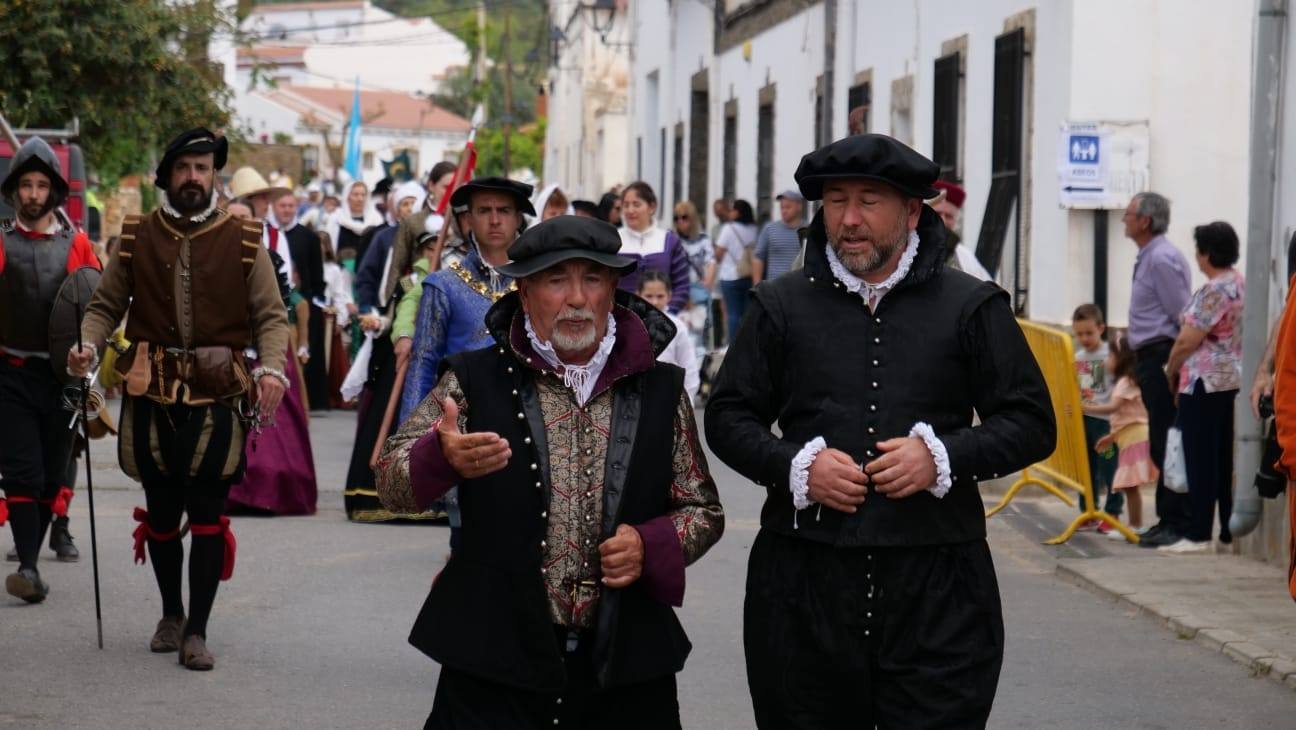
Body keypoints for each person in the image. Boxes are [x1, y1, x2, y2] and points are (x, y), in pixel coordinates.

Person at [704, 134, 1055, 728]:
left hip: (939, 585)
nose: (849, 219)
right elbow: (728, 416)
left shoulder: (972, 305)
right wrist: (797, 467)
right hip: (803, 582)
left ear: (912, 210)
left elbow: (1031, 422)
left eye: (869, 200)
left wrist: (941, 456)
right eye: (836, 201)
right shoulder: (779, 305)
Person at [375, 215, 724, 728]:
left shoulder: (662, 389)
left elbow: (703, 508)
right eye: (557, 280)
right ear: (525, 290)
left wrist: (654, 545)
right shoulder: (473, 379)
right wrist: (439, 457)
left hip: (625, 664)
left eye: (593, 279)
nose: (577, 298)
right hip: (495, 659)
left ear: (613, 288)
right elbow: (391, 480)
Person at [71, 128, 290, 670]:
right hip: (151, 393)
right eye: (184, 168)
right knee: (164, 514)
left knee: (210, 514)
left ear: (214, 175)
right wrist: (86, 344)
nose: (194, 177)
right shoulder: (136, 235)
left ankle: (198, 629)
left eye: (203, 167)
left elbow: (270, 315)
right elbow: (104, 307)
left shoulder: (244, 240)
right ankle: (170, 613)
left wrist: (274, 370)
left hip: (219, 397)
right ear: (165, 176)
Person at [399, 177, 533, 537]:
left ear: (518, 217)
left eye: (503, 210)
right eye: (484, 211)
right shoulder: (442, 285)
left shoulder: (538, 283)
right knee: (469, 538)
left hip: (530, 423)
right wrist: (410, 442)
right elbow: (424, 362)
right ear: (468, 219)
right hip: (466, 426)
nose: (494, 220)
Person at [0, 137, 102, 602]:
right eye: (26, 184)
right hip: (12, 374)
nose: (34, 193)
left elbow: (98, 310)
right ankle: (26, 564)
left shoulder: (78, 246)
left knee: (52, 473)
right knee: (21, 471)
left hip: (62, 378)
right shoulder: (1, 244)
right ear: (14, 190)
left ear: (54, 192)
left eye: (42, 184)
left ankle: (31, 562)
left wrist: (89, 350)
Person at [343, 179, 434, 522]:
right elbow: (395, 302)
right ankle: (376, 491)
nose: (431, 251)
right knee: (388, 413)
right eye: (426, 246)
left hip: (435, 361)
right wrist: (390, 326)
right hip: (398, 347)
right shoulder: (405, 272)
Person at [1161, 221, 1245, 553]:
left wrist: (1170, 369)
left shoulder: (1214, 290)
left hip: (1203, 381)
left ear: (1207, 253)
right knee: (1222, 458)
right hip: (1231, 380)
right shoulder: (1240, 284)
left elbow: (1187, 340)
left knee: (1199, 457)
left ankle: (1198, 533)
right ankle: (1225, 529)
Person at [1122, 191, 1192, 548]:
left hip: (1163, 356)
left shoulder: (1162, 258)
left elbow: (1182, 314)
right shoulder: (1149, 256)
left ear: (1145, 221)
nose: (1124, 218)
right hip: (1148, 356)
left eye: (1130, 213)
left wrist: (1176, 366)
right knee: (1162, 439)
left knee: (1167, 440)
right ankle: (1168, 518)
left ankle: (1175, 521)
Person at [227, 245, 318, 516]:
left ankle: (270, 485)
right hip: (226, 353)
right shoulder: (213, 255)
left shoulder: (265, 258)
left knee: (273, 415)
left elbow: (275, 311)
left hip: (263, 350)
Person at [268, 189, 329, 411]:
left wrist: (314, 299)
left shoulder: (308, 237)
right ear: (274, 207)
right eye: (282, 205)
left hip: (303, 299)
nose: (287, 210)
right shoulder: (267, 233)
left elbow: (316, 273)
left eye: (291, 206)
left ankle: (309, 399)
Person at [1086, 335, 1154, 531]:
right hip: (1130, 437)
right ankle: (1135, 524)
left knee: (1131, 485)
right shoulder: (1126, 382)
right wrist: (1111, 437)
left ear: (1121, 359)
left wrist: (1086, 408)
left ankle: (1135, 525)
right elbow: (1124, 418)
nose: (1106, 361)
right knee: (1130, 486)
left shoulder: (1125, 383)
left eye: (1110, 356)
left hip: (1135, 439)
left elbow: (1113, 408)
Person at [382, 161, 462, 310]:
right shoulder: (412, 222)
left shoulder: (463, 221)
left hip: (456, 301)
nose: (452, 191)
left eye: (456, 186)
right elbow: (397, 269)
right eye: (446, 187)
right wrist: (404, 294)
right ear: (431, 185)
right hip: (419, 300)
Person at [1072, 303, 1122, 532]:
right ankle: (1088, 511)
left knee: (1110, 467)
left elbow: (1123, 383)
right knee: (1086, 468)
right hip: (1084, 419)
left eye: (1089, 333)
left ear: (1101, 328)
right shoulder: (1077, 356)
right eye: (1079, 333)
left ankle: (1113, 513)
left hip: (1106, 422)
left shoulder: (1111, 354)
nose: (1084, 338)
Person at [615, 181, 689, 313]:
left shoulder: (669, 240)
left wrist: (667, 314)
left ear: (652, 207)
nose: (630, 210)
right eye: (626, 205)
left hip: (662, 319)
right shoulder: (613, 240)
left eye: (636, 204)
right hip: (622, 319)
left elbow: (681, 284)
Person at [638, 271, 699, 400]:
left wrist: (686, 405)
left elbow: (689, 369)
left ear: (669, 296)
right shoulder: (630, 325)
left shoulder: (678, 327)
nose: (654, 302)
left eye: (660, 296)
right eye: (649, 296)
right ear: (638, 294)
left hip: (667, 396)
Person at [710, 199, 758, 344]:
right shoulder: (754, 229)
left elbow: (718, 254)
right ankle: (747, 343)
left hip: (730, 277)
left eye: (732, 210)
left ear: (737, 212)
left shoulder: (728, 228)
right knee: (746, 313)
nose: (730, 212)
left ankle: (733, 345)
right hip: (748, 275)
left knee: (732, 314)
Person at [930, 180, 993, 281]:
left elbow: (987, 289)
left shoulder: (965, 257)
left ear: (955, 221)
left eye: (949, 216)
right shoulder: (909, 248)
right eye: (937, 213)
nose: (943, 220)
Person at [752, 189, 805, 284]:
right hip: (774, 289)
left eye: (788, 207)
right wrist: (757, 286)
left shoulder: (807, 230)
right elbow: (758, 258)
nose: (784, 211)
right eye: (782, 207)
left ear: (799, 207)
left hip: (799, 288)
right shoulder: (769, 229)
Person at [326, 180, 382, 263]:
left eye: (363, 195)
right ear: (347, 196)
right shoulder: (336, 218)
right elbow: (328, 246)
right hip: (339, 270)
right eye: (355, 195)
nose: (360, 199)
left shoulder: (376, 219)